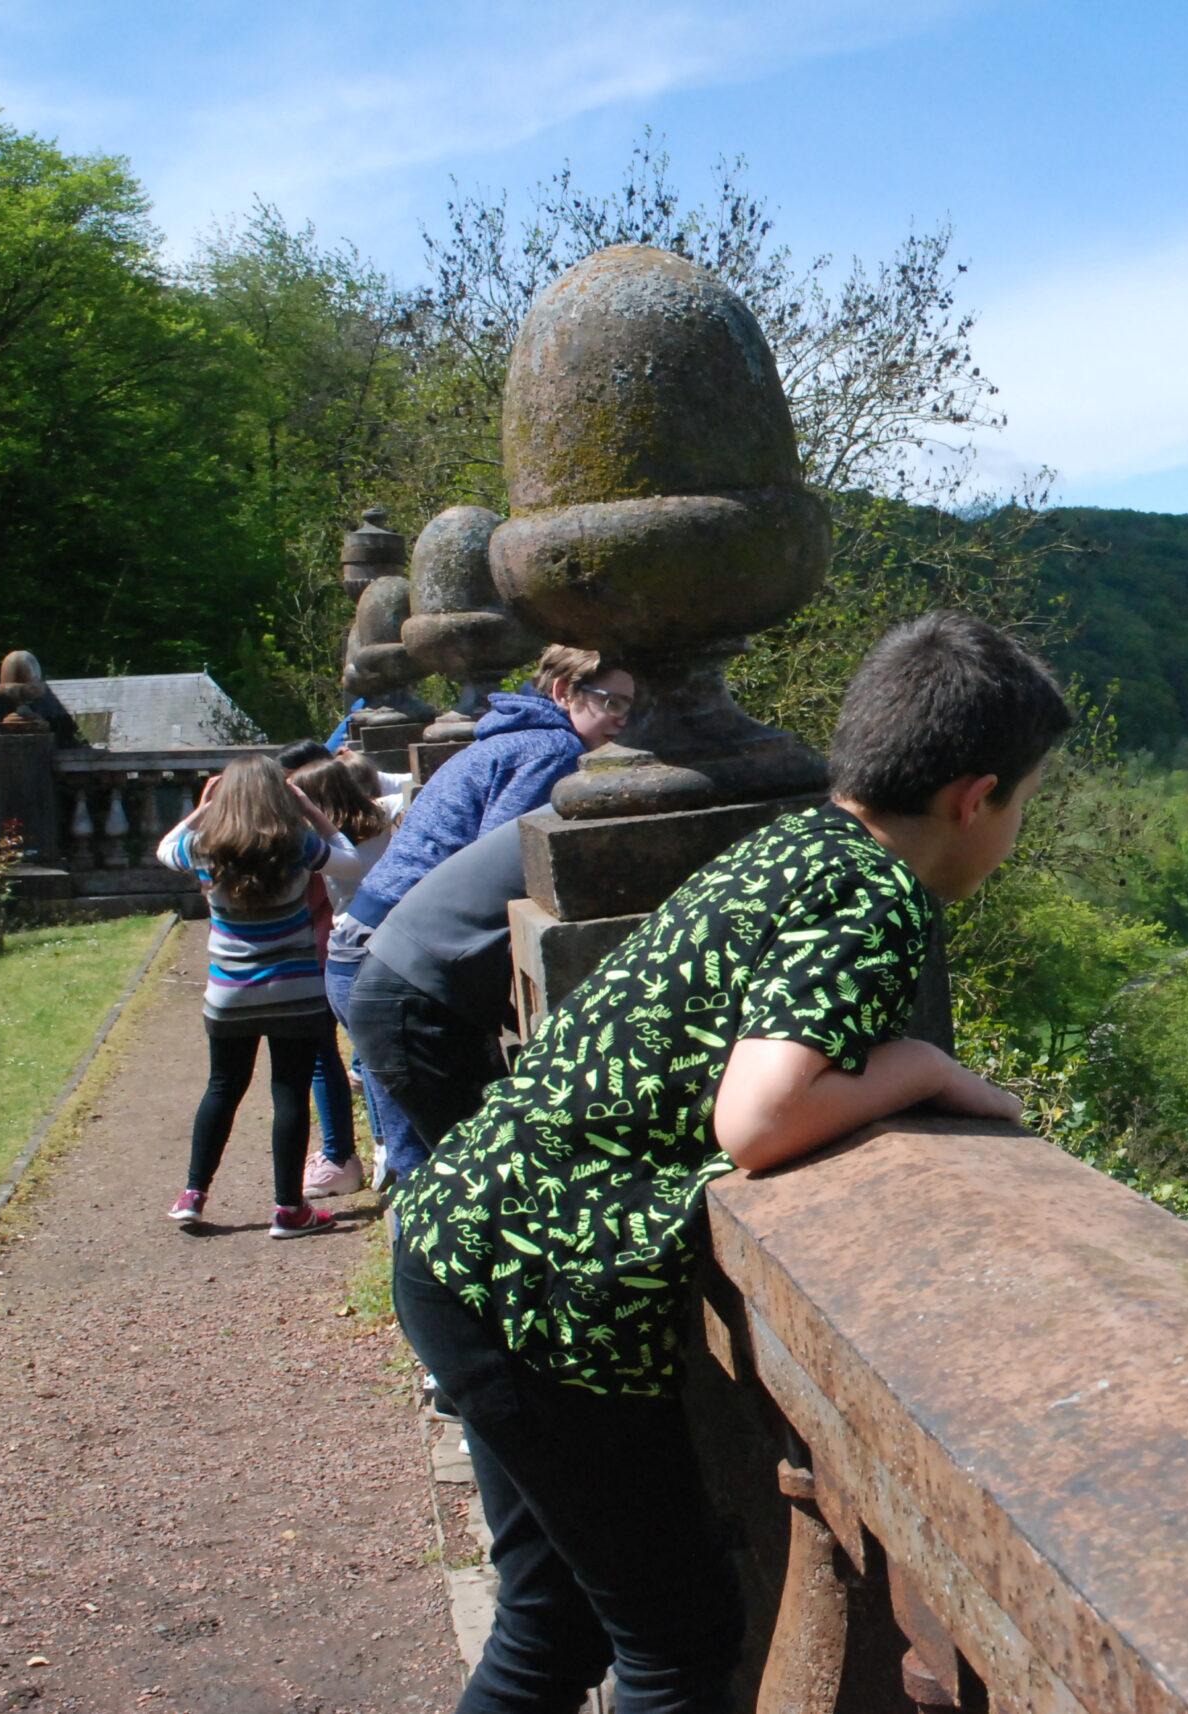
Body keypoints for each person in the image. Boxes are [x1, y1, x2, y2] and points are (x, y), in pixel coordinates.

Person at [389, 613, 1067, 1713]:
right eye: (1025, 802)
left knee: (553, 1625)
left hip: (468, 1244)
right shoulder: (877, 893)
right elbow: (760, 1117)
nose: (1017, 827)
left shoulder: (798, 843)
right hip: (537, 1291)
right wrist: (921, 1066)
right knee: (676, 1641)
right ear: (974, 797)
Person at [326, 646, 632, 1185]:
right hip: (401, 961)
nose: (624, 718)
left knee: (425, 1159)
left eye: (633, 705)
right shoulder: (554, 749)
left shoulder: (515, 736)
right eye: (613, 701)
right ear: (564, 692)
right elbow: (516, 865)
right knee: (458, 1174)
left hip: (373, 944)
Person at [156, 757, 361, 1237]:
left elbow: (163, 847)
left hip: (229, 994)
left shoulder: (205, 847)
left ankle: (193, 1194)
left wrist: (203, 809)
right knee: (289, 1092)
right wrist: (310, 809)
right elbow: (350, 861)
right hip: (296, 990)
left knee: (223, 1087)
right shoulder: (297, 844)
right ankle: (289, 1209)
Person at [342, 816, 526, 1154]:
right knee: (480, 1163)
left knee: (493, 1155)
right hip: (411, 1002)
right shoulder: (572, 824)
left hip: (408, 986)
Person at [290, 757, 398, 1198]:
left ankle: (378, 1146)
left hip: (350, 948)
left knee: (364, 1056)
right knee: (374, 1055)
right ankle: (384, 1145)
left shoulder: (329, 849)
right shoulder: (386, 818)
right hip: (392, 940)